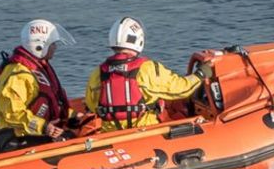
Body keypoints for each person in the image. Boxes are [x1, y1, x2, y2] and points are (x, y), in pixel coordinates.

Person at [85, 17, 214, 132]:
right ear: (138, 40)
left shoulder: (98, 73)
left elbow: (91, 104)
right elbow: (182, 89)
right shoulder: (148, 69)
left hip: (112, 136)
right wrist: (201, 73)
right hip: (146, 132)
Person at [0, 19, 80, 150]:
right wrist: (43, 127)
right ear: (40, 46)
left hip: (36, 132)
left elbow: (53, 103)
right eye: (53, 44)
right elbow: (12, 114)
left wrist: (72, 116)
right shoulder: (19, 75)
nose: (55, 48)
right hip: (19, 137)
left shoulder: (38, 69)